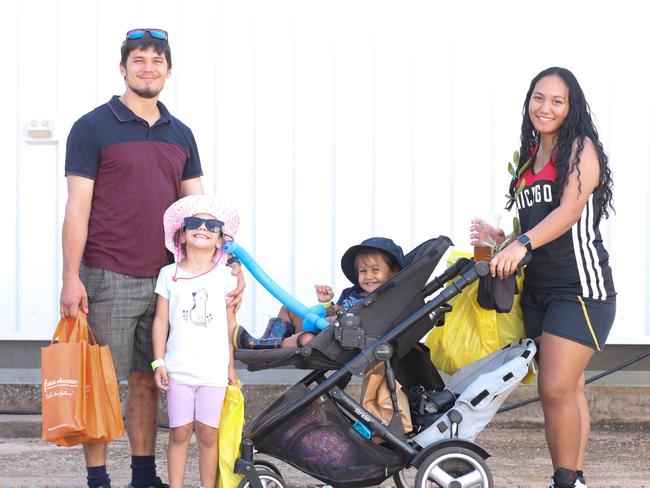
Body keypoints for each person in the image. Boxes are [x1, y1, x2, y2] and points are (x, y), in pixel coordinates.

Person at [59, 29, 244, 488]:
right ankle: (98, 479)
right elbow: (77, 207)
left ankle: (144, 477)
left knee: (147, 379)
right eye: (138, 60)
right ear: (123, 68)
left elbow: (201, 214)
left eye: (156, 61)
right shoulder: (91, 127)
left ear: (168, 70)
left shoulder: (181, 134)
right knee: (100, 383)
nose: (148, 68)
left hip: (170, 280)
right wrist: (70, 276)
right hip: (107, 274)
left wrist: (228, 267)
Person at [471, 67, 615, 488]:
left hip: (581, 288)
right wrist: (504, 239)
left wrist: (523, 246)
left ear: (572, 108)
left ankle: (564, 481)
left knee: (553, 389)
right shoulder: (528, 158)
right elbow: (536, 222)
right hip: (537, 290)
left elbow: (568, 212)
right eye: (539, 97)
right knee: (569, 391)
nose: (545, 107)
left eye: (557, 100)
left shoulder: (581, 149)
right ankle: (576, 478)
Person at [152, 195, 240, 488]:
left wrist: (231, 365)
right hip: (178, 369)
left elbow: (230, 326)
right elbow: (161, 321)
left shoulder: (227, 277)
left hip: (213, 371)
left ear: (219, 240)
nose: (202, 228)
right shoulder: (169, 275)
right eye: (194, 223)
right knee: (179, 432)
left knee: (207, 433)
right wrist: (159, 361)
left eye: (211, 225)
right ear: (182, 235)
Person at [237, 237, 405, 348]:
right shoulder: (351, 292)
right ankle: (264, 345)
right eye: (363, 271)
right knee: (288, 309)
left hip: (339, 341)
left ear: (393, 272)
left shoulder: (386, 300)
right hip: (323, 327)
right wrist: (327, 304)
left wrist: (336, 322)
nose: (368, 277)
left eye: (375, 270)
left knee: (307, 339)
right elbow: (335, 310)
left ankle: (263, 347)